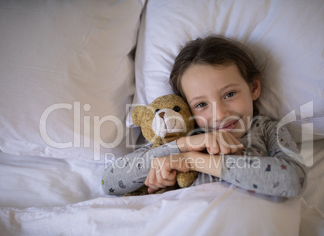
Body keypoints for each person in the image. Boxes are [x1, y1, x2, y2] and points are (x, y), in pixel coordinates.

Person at [102, 35, 306, 197]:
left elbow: (294, 180)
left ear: (253, 87)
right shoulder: (188, 137)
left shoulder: (267, 129)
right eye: (201, 104)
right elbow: (109, 182)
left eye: (229, 94)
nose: (220, 114)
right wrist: (181, 148)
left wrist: (192, 160)